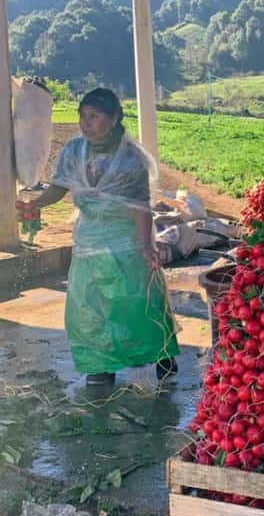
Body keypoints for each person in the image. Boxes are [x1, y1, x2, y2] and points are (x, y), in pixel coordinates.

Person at [18, 88, 179, 387]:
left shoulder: (130, 160)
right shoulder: (73, 151)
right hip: (88, 242)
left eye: (93, 116)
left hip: (126, 242)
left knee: (135, 304)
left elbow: (139, 208)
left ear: (114, 118)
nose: (85, 123)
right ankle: (99, 364)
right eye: (82, 116)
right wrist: (35, 203)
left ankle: (162, 353)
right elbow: (59, 187)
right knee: (87, 308)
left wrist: (146, 246)